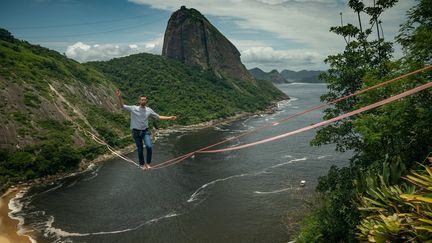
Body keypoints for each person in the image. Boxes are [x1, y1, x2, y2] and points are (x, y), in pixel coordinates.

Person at [115, 90, 177, 170]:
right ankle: (142, 164)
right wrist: (119, 97)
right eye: (142, 100)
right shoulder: (133, 108)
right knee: (140, 149)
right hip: (136, 132)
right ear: (139, 101)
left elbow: (158, 117)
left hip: (145, 131)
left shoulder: (149, 110)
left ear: (146, 101)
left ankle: (148, 163)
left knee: (149, 146)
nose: (143, 101)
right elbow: (122, 106)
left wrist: (170, 118)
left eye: (144, 100)